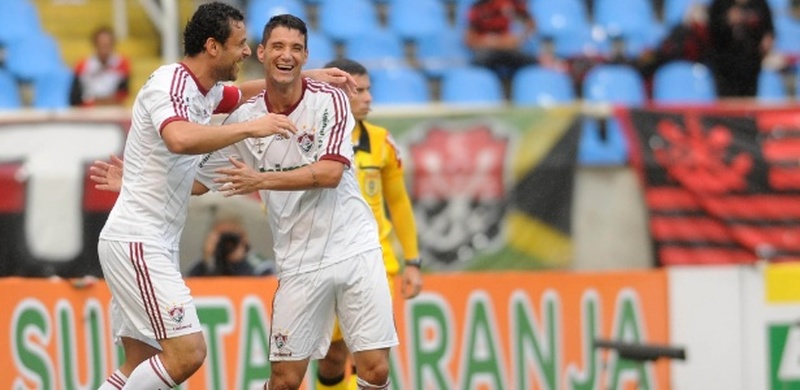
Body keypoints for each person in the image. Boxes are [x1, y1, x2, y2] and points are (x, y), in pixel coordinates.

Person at [92, 13, 396, 390]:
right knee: (190, 354)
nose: (245, 53)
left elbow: (326, 169)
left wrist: (310, 76)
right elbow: (181, 142)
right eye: (241, 45)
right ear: (213, 46)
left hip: (352, 249)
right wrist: (253, 128)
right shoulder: (171, 84)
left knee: (139, 362)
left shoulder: (211, 93)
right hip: (142, 241)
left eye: (296, 49)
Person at [315, 58, 423, 390]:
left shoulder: (382, 142)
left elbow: (399, 203)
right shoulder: (312, 140)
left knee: (375, 362)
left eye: (369, 89)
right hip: (325, 262)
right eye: (358, 91)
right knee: (333, 355)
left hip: (376, 263)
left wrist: (413, 261)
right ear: (335, 94)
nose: (368, 98)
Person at [464, 0, 538, 95]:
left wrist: (519, 39)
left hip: (509, 51)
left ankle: (528, 94)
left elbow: (531, 23)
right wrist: (494, 42)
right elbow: (470, 40)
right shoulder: (478, 7)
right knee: (477, 62)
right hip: (488, 52)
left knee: (532, 62)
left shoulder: (512, 3)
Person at [707, 0, 774, 97]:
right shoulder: (720, 4)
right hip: (725, 68)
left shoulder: (760, 4)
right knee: (728, 108)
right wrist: (727, 22)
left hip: (751, 66)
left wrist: (767, 39)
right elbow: (712, 33)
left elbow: (769, 29)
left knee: (749, 105)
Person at [69, 26, 131, 107]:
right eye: (101, 45)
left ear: (113, 44)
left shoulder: (122, 63)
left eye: (107, 45)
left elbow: (123, 93)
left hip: (113, 109)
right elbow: (76, 96)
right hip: (88, 110)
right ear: (95, 44)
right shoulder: (82, 65)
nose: (104, 49)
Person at [186, 216, 268, 277]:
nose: (228, 243)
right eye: (223, 236)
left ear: (243, 238)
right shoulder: (202, 266)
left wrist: (240, 263)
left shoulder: (261, 266)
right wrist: (209, 259)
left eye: (232, 236)